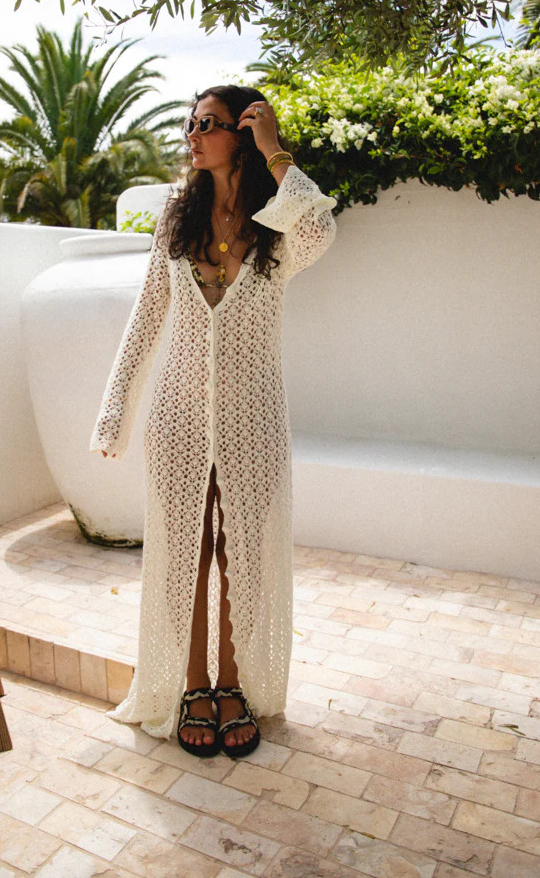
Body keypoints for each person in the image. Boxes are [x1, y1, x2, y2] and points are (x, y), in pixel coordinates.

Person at [90, 84, 337, 757]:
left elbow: (321, 230)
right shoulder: (178, 220)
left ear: (243, 133)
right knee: (185, 550)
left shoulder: (277, 223)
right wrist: (115, 412)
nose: (193, 135)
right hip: (177, 413)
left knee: (243, 552)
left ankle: (233, 684)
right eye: (190, 124)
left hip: (255, 414)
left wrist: (275, 150)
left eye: (208, 123)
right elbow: (147, 318)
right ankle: (192, 685)